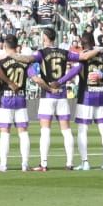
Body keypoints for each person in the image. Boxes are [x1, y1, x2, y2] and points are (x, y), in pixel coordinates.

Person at [32, 28, 76, 171]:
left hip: (47, 96)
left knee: (45, 130)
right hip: (62, 94)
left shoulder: (41, 53)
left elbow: (30, 64)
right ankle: (69, 163)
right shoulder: (65, 52)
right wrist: (63, 80)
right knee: (66, 130)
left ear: (45, 37)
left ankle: (43, 164)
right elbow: (79, 63)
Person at [0, 37, 34, 173]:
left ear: (4, 45)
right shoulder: (24, 61)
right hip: (21, 97)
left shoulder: (1, 60)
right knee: (23, 131)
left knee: (5, 132)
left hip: (6, 98)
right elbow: (33, 67)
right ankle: (25, 164)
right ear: (17, 46)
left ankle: (3, 164)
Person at [72, 32, 103, 171]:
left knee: (83, 130)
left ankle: (85, 162)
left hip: (85, 96)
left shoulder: (83, 56)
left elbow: (74, 72)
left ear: (82, 43)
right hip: (100, 95)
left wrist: (59, 82)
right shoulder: (102, 56)